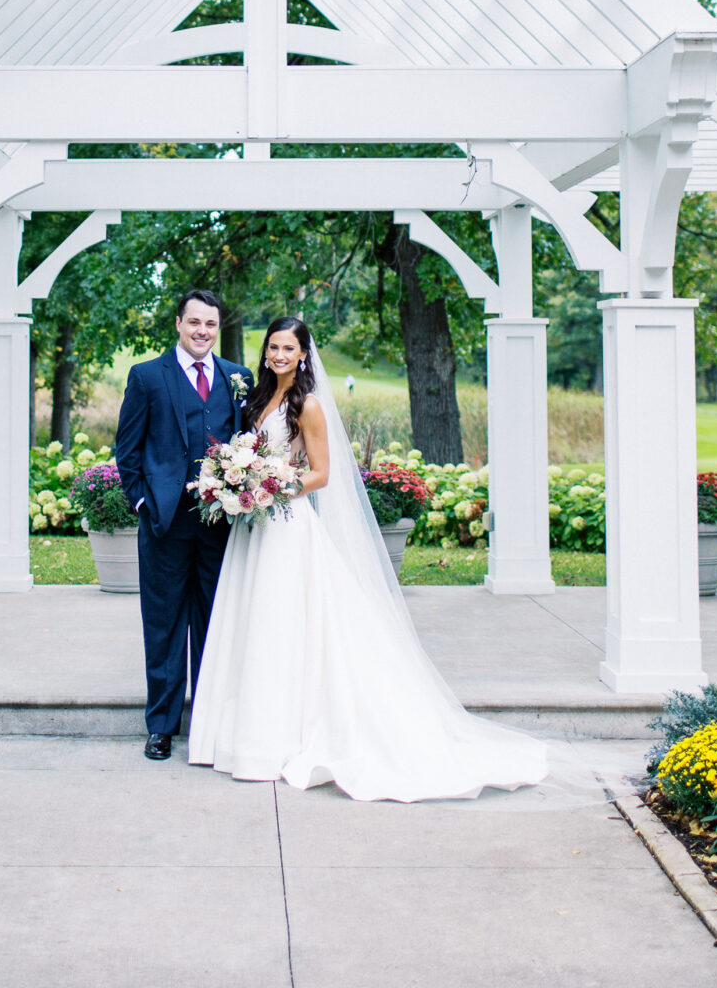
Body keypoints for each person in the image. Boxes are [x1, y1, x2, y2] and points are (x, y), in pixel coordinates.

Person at [188, 317, 548, 801]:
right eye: (273, 346)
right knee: (254, 623)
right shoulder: (258, 397)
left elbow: (321, 474)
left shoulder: (308, 405)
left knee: (282, 625)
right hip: (253, 531)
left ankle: (277, 741)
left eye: (288, 348)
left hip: (286, 527)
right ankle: (244, 737)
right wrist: (239, 482)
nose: (278, 355)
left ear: (303, 354)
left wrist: (268, 488)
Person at [114, 290, 254, 762]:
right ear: (178, 323)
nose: (202, 331)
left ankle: (212, 722)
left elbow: (250, 443)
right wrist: (141, 502)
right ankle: (161, 726)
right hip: (164, 523)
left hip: (221, 525)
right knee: (165, 624)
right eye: (194, 322)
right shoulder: (147, 376)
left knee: (217, 623)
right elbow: (127, 450)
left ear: (218, 328)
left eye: (210, 324)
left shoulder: (238, 377)